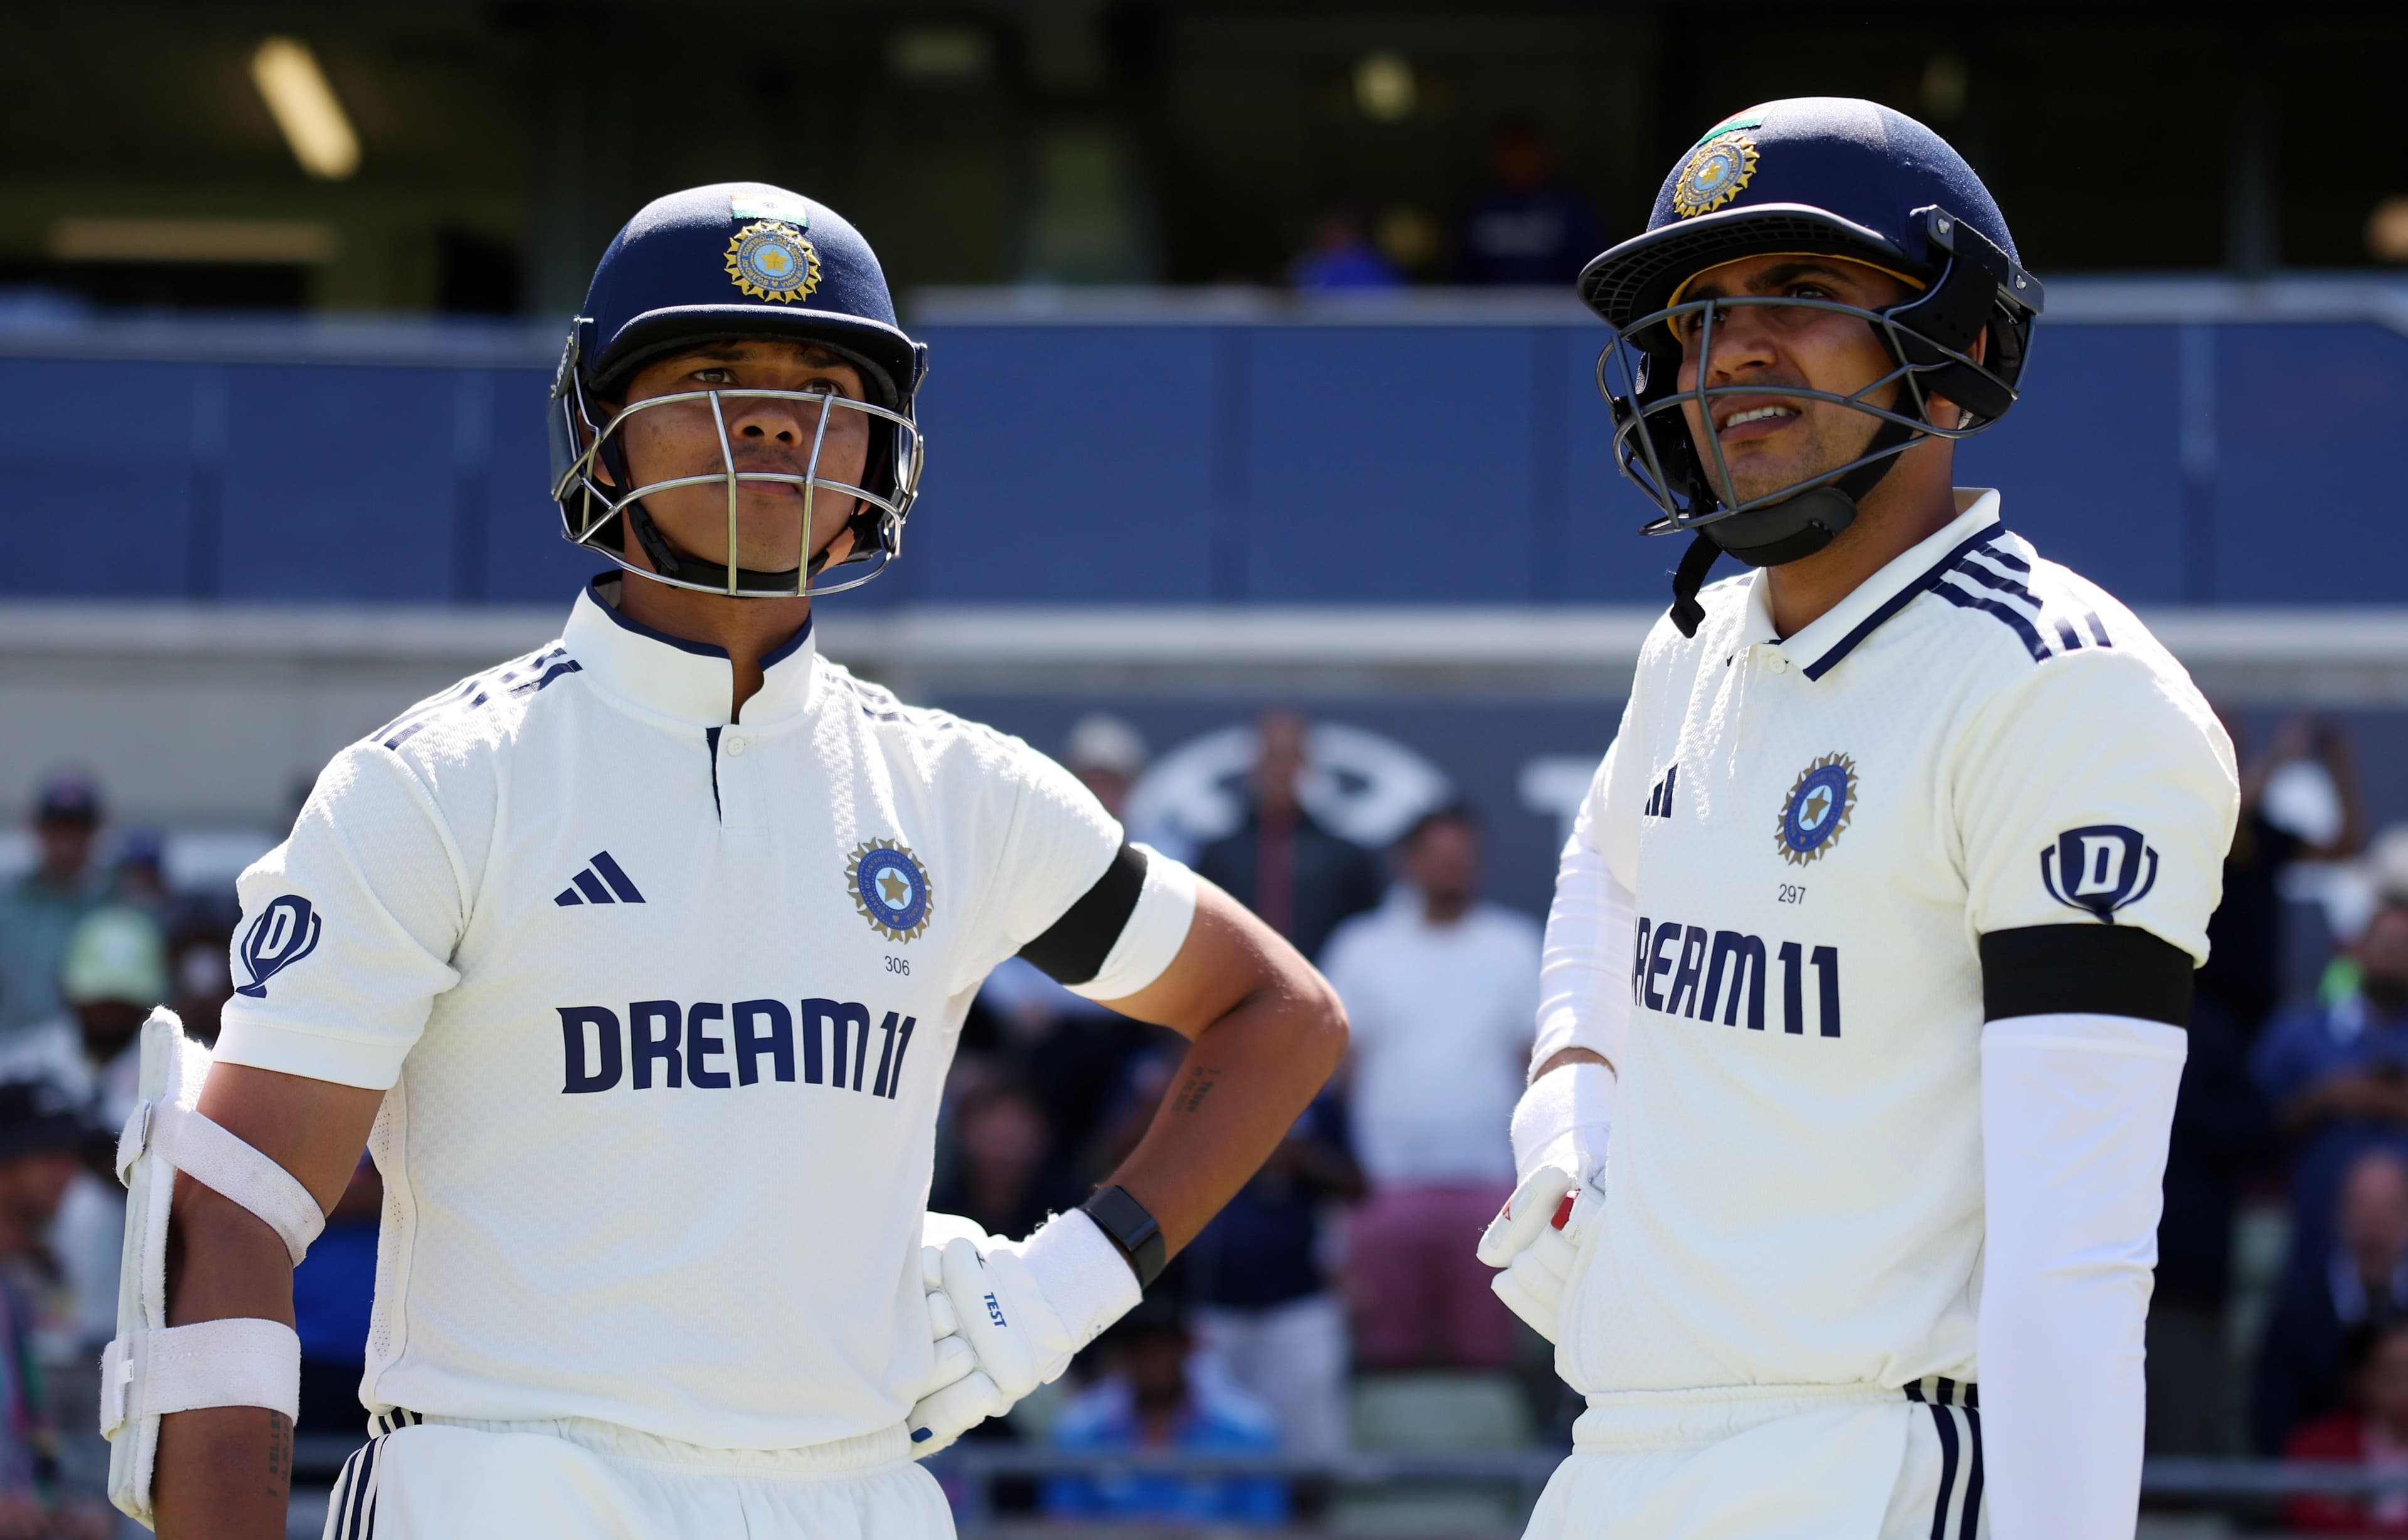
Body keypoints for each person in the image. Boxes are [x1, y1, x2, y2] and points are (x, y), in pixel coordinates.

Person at [117, 182, 1346, 1539]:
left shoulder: (961, 791)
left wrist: (1063, 1287)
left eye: (824, 381)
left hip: (856, 1491)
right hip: (507, 1483)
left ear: (881, 445)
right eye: (711, 372)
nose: (772, 417)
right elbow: (227, 1212)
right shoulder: (434, 785)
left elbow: (1276, 1010)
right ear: (601, 426)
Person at [1478, 98, 2237, 1539]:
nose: (1728, 349)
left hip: (1882, 1461)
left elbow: (2072, 1263)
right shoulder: (1693, 644)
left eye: (1803, 293)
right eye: (1696, 313)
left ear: (1955, 352)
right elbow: (1607, 866)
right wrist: (1568, 1103)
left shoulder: (2063, 694)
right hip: (1621, 1449)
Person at [1322, 804, 1538, 1369]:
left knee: (1485, 1354)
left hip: (1492, 1190)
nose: (1451, 870)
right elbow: (1338, 1068)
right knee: (1385, 1354)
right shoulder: (1361, 948)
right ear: (1407, 864)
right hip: (1384, 1186)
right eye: (1438, 859)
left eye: (1461, 860)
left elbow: (1537, 1064)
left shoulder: (1514, 946)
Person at [0, 908, 165, 1354]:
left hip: (142, 1312)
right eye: (98, 1000)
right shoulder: (18, 1062)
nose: (108, 1015)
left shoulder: (185, 1072)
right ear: (70, 991)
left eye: (122, 1002)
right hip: (29, 1293)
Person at [2254, 899, 2408, 1304]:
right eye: (2386, 943)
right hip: (2311, 1255)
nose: (2394, 957)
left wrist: (2378, 1100)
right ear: (2355, 949)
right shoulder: (2298, 1033)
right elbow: (2251, 1128)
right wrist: (2324, 1098)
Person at [1040, 1286, 1287, 1526]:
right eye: (1141, 1349)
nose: (1153, 1361)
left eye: (1163, 1347)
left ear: (1186, 1347)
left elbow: (1263, 1525)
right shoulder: (1079, 1430)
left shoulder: (1247, 1431)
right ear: (1123, 1354)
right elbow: (1065, 1524)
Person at [0, 1079, 113, 1540]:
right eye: (49, 1157)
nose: (69, 1175)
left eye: (73, 1158)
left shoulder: (22, 1279)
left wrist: (62, 1505)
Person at [1193, 711, 1386, 967]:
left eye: (1290, 756)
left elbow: (1365, 939)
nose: (1280, 769)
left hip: (1324, 988)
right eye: (1273, 755)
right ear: (1256, 763)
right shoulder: (1219, 856)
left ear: (1306, 764)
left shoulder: (1343, 858)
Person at [2259, 1149, 2408, 1455]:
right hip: (2320, 1481)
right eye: (2363, 1208)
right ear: (2339, 1216)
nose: (2375, 1224)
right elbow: (2271, 1413)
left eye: (2388, 1209)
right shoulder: (2297, 1308)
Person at [0, 773, 114, 1040]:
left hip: (82, 1056)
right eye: (58, 829)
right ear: (39, 830)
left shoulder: (113, 906)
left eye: (77, 830)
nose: (67, 842)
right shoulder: (10, 904)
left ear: (94, 833)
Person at [2279, 1319, 2408, 1536]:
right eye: (2392, 1373)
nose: (2405, 1388)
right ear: (2360, 1378)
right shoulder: (2319, 1446)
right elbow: (2308, 1514)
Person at [1453, 122, 1600, 287]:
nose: (1517, 162)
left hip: (1557, 307)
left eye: (1524, 155)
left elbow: (1590, 270)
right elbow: (1461, 273)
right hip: (1488, 308)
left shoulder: (1568, 207)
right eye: (1510, 155)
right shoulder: (1479, 208)